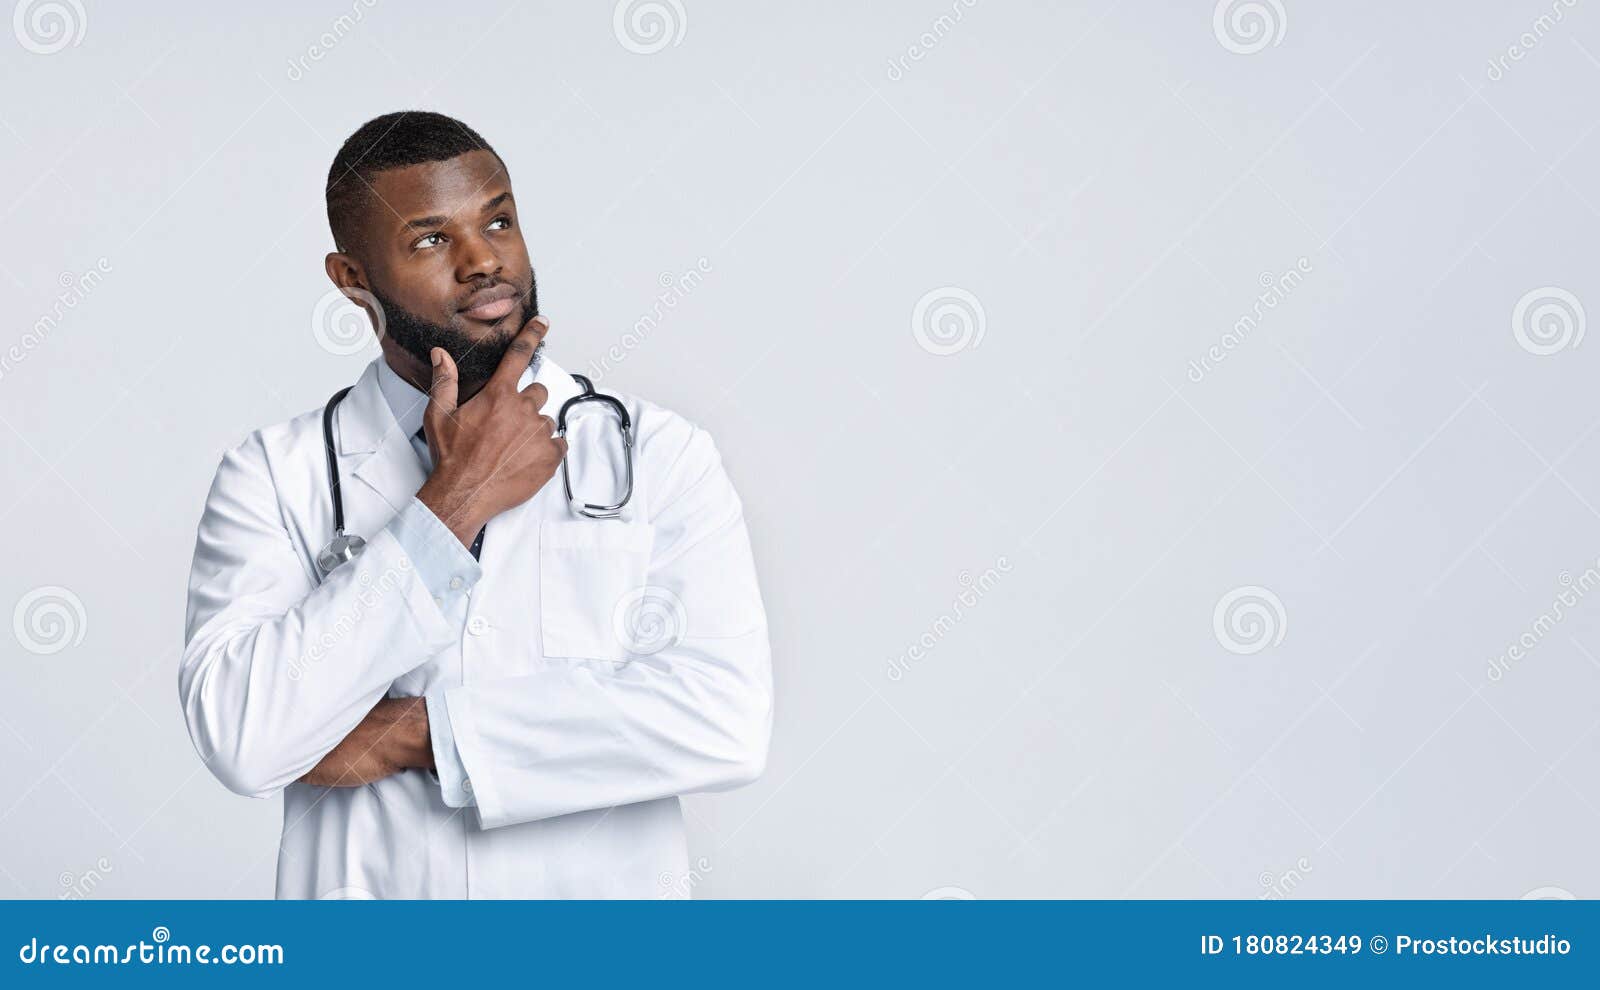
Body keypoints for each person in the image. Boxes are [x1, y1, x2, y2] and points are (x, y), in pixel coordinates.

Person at [178, 111, 772, 899]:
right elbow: (245, 740)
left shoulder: (658, 455)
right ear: (352, 280)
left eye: (498, 220)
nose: (483, 260)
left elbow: (723, 723)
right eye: (431, 240)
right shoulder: (272, 476)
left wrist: (420, 734)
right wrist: (451, 505)